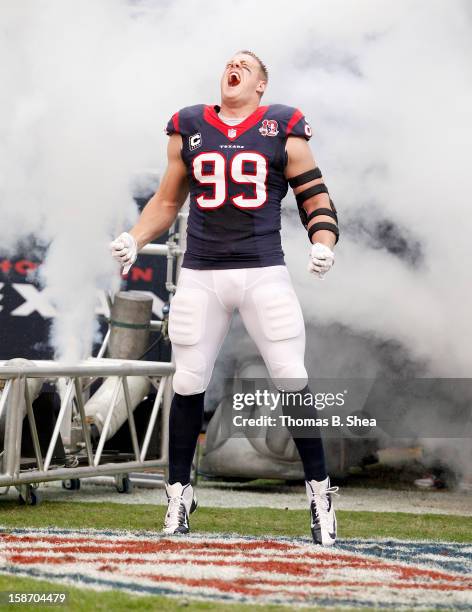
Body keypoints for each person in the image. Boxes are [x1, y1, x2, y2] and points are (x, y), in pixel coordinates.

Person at [110, 50, 340, 545]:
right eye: (228, 63)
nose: (232, 68)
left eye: (245, 65)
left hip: (263, 271)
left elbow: (314, 195)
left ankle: (320, 494)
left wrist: (323, 241)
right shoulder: (189, 125)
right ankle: (178, 495)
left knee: (291, 376)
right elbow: (168, 200)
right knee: (188, 382)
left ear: (260, 85)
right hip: (202, 273)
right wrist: (135, 236)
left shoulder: (284, 125)